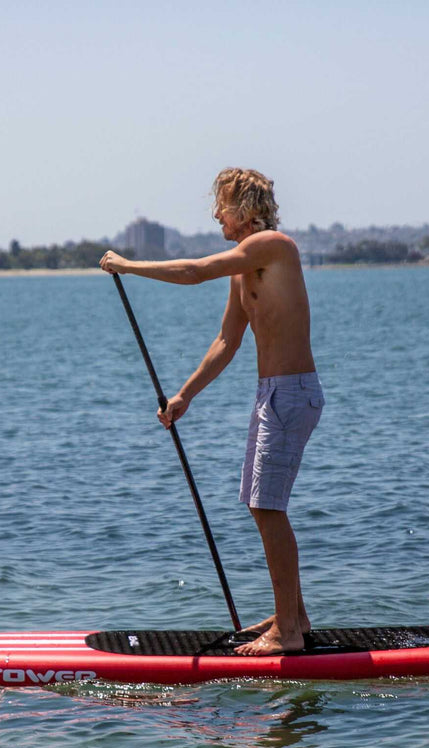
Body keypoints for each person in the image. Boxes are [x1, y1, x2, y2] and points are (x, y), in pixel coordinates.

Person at [99, 168, 324, 655]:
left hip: (290, 393)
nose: (215, 214)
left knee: (267, 507)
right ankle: (297, 617)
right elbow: (227, 340)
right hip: (273, 395)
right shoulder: (246, 267)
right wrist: (184, 396)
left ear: (243, 209)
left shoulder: (272, 246)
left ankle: (287, 632)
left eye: (221, 205)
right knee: (260, 504)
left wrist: (128, 266)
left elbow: (194, 271)